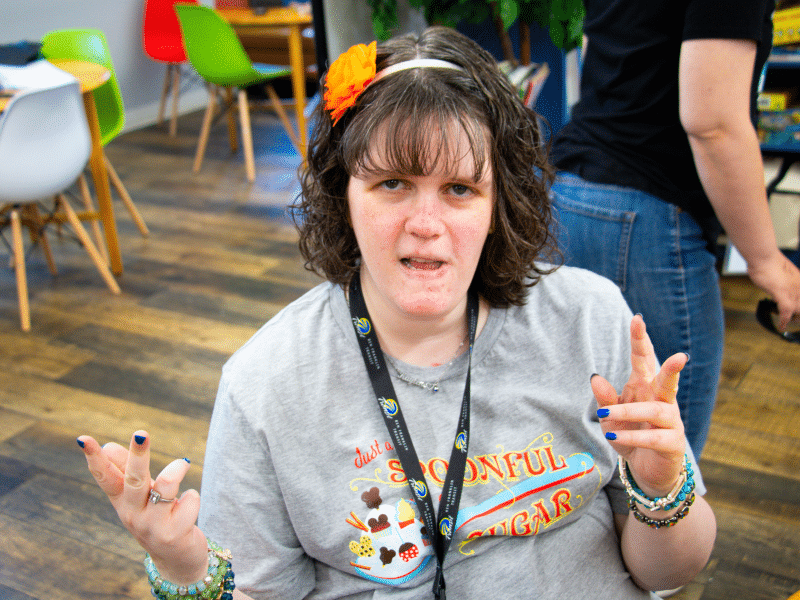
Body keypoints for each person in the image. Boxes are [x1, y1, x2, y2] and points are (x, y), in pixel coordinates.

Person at [76, 26, 716, 600]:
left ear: (499, 202)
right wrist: (188, 571)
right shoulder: (267, 382)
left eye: (460, 189)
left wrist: (661, 491)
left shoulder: (589, 318)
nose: (427, 225)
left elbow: (667, 573)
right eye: (393, 184)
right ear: (341, 193)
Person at [549, 0, 800, 457]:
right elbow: (713, 123)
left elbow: (600, 59)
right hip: (646, 212)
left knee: (574, 438)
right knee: (663, 455)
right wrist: (766, 260)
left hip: (568, 193)